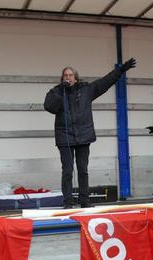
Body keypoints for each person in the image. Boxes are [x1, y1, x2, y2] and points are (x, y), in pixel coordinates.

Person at [44, 59, 136, 209]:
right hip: (65, 137)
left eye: (70, 75)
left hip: (83, 137)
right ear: (62, 78)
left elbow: (105, 82)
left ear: (76, 77)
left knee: (83, 170)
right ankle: (68, 202)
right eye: (65, 75)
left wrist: (121, 70)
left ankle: (84, 201)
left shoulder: (86, 90)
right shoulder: (56, 91)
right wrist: (61, 89)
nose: (68, 77)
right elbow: (49, 106)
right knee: (67, 171)